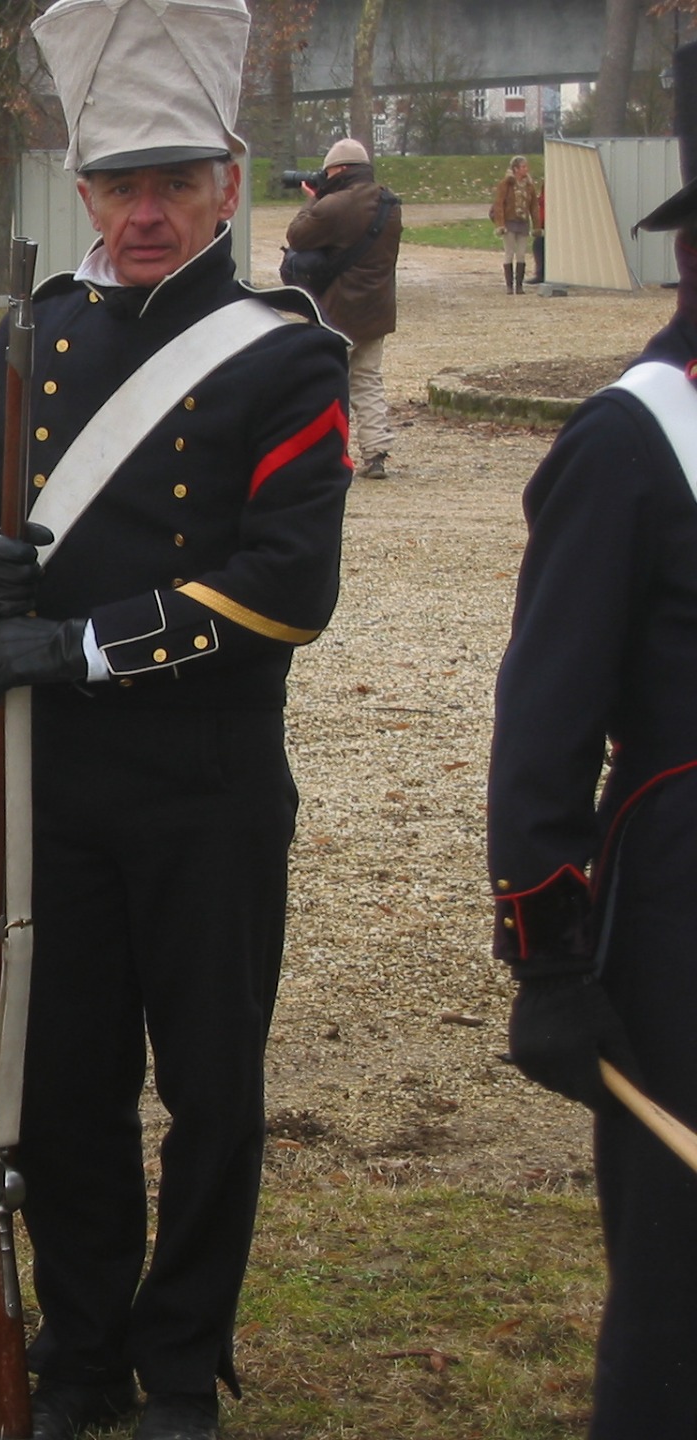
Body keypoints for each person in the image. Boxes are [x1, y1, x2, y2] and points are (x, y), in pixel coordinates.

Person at [0, 3, 351, 1437]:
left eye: (175, 180)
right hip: (60, 792)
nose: (148, 211)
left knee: (213, 1095)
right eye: (120, 183)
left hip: (208, 783)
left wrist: (86, 644)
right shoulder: (38, 335)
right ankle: (86, 1348)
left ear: (230, 179)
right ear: (82, 186)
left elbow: (289, 588)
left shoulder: (287, 356)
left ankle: (184, 1362)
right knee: (63, 1091)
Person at [489, 39, 697, 1438]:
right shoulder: (632, 440)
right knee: (683, 1296)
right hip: (687, 905)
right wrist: (551, 948)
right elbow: (547, 717)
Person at [283, 138, 401, 479]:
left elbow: (298, 236)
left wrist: (313, 201)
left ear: (341, 169)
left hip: (337, 310)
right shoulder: (388, 202)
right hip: (377, 309)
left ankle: (328, 454)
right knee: (368, 381)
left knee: (326, 383)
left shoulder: (334, 205)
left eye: (329, 169)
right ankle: (376, 452)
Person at [491, 155, 540, 295]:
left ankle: (519, 286)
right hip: (509, 223)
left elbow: (534, 206)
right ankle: (509, 286)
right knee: (509, 252)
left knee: (521, 254)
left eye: (526, 166)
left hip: (523, 223)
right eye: (523, 167)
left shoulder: (529, 186)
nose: (526, 169)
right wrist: (500, 224)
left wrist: (537, 226)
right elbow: (499, 204)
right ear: (516, 169)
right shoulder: (506, 184)